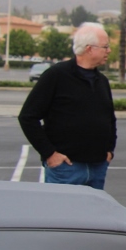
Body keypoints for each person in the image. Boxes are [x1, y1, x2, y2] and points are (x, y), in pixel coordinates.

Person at [18, 22, 116, 190]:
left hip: (97, 167)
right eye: (105, 46)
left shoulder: (102, 81)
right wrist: (50, 153)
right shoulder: (56, 76)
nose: (109, 51)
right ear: (89, 48)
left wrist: (109, 151)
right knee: (61, 215)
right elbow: (28, 117)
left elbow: (109, 119)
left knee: (91, 216)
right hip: (66, 169)